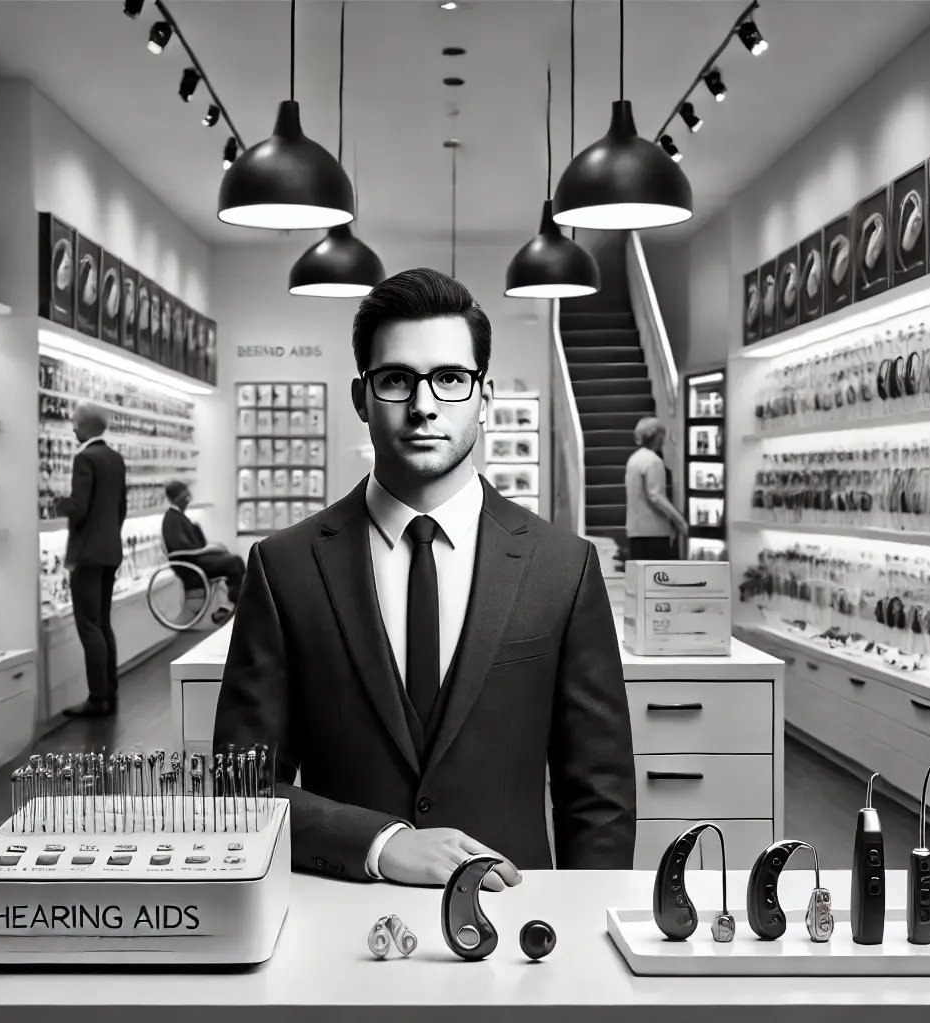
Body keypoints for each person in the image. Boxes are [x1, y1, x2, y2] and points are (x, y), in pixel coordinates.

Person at [215, 268, 635, 888]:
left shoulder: (562, 566)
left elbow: (599, 795)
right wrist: (381, 844)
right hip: (340, 915)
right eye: (395, 379)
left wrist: (576, 926)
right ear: (361, 398)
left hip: (516, 917)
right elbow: (239, 788)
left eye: (450, 378)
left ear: (484, 398)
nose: (424, 405)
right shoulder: (285, 567)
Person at [56, 404, 127, 718]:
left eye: (74, 422)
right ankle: (110, 691)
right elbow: (120, 508)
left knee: (89, 625)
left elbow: (79, 507)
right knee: (103, 623)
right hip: (110, 551)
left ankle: (97, 698)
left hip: (87, 554)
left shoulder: (84, 458)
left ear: (84, 426)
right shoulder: (115, 458)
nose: (72, 428)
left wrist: (58, 503)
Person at [161, 480, 245, 609]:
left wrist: (196, 530)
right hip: (191, 567)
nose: (188, 500)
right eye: (186, 496)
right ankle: (237, 602)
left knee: (232, 559)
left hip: (196, 561)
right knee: (235, 561)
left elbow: (199, 544)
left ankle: (236, 601)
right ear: (177, 498)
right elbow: (182, 548)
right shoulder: (172, 519)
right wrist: (209, 550)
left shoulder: (178, 517)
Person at [625, 416, 688, 562]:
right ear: (658, 436)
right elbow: (656, 496)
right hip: (654, 531)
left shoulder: (634, 459)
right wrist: (679, 520)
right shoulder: (654, 461)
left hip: (635, 530)